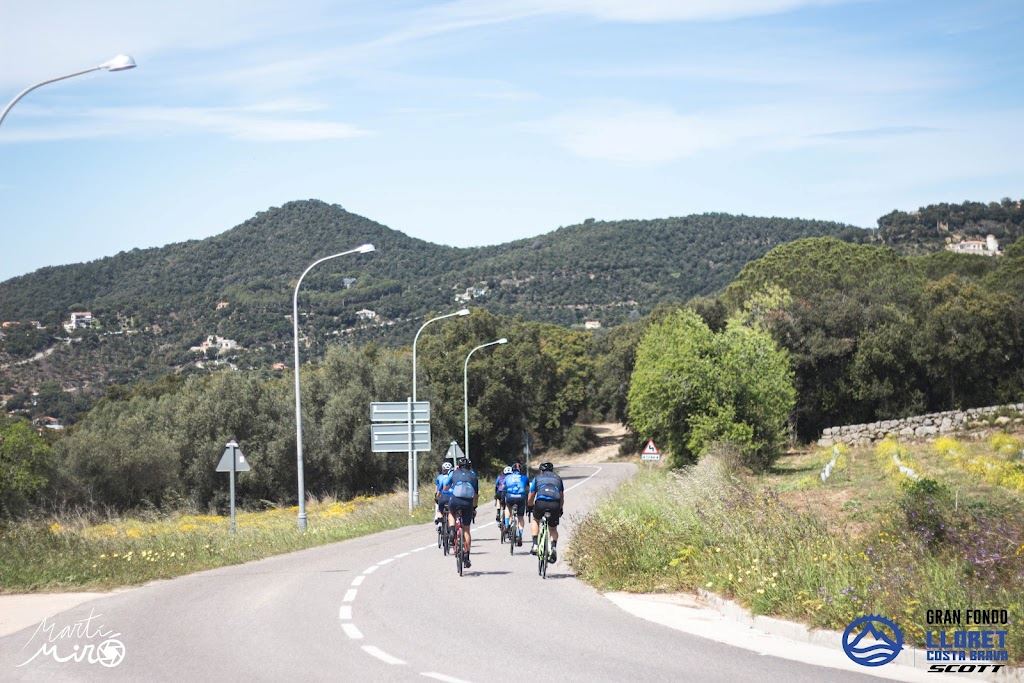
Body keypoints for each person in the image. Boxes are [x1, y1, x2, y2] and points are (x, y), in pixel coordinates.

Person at [527, 462, 564, 562]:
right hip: (555, 504)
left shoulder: (537, 478)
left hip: (541, 503)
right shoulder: (558, 478)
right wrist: (560, 509)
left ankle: (535, 545)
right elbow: (561, 497)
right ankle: (553, 548)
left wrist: (529, 506)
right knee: (553, 528)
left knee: (535, 520)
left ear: (541, 470)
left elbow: (531, 495)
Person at [448, 457, 479, 568]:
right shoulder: (474, 476)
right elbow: (475, 495)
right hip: (468, 503)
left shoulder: (454, 473)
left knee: (451, 513)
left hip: (455, 500)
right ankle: (466, 556)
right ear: (469, 466)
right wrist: (474, 507)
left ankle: (452, 531)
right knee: (466, 529)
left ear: (459, 466)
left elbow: (446, 486)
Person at [503, 462, 529, 546]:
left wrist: (503, 500)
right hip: (521, 498)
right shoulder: (525, 477)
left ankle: (507, 525)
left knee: (507, 508)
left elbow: (503, 489)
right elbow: (527, 490)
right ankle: (520, 535)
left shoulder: (507, 477)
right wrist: (528, 504)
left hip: (510, 497)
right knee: (520, 517)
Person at [433, 461, 454, 531]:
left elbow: (437, 489)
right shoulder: (453, 476)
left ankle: (438, 521)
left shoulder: (440, 477)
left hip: (442, 496)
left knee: (438, 506)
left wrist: (436, 496)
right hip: (452, 497)